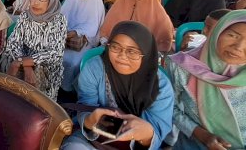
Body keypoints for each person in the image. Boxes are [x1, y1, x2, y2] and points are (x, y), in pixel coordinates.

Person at [167, 10, 246, 149]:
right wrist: (198, 133)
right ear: (218, 32)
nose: (239, 47)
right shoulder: (182, 66)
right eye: (232, 35)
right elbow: (169, 107)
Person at [61, 21, 174, 150]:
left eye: (132, 51)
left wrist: (146, 134)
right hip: (93, 140)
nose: (122, 56)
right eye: (115, 47)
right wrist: (90, 120)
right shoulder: (94, 68)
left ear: (146, 54)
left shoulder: (161, 86)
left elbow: (158, 131)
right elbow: (85, 105)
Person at [0, 0, 67, 100]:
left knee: (38, 78)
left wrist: (23, 62)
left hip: (46, 64)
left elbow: (55, 53)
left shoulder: (59, 20)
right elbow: (14, 43)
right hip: (22, 57)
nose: (35, 2)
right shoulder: (25, 16)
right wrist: (26, 65)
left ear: (51, 1)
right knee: (9, 58)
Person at [100, 0, 173, 52]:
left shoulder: (159, 13)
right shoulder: (117, 7)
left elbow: (164, 42)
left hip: (145, 55)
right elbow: (105, 34)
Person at [60, 0, 105, 92]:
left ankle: (67, 88)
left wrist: (76, 31)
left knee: (74, 62)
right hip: (65, 38)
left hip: (86, 39)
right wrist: (65, 30)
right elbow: (61, 17)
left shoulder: (95, 4)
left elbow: (93, 27)